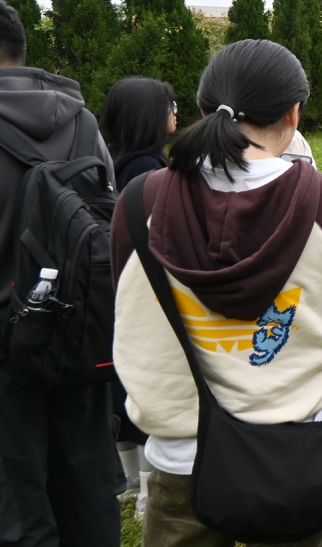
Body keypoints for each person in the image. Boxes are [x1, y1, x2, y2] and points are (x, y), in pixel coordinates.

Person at [110, 39, 322, 546]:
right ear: (293, 113)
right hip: (300, 448)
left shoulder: (139, 202)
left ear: (203, 109)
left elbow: (129, 300)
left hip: (181, 454)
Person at [0, 0, 121, 546]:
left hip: (6, 347)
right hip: (79, 330)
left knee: (17, 505)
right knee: (87, 489)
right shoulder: (82, 121)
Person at [99, 76, 179, 518]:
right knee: (151, 385)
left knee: (123, 383)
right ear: (150, 116)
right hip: (148, 288)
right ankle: (149, 492)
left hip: (114, 289)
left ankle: (128, 481)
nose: (175, 113)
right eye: (169, 106)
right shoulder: (150, 171)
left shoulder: (109, 160)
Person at [100, 77, 178, 188]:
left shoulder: (111, 155)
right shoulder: (145, 167)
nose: (174, 112)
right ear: (148, 114)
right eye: (169, 106)